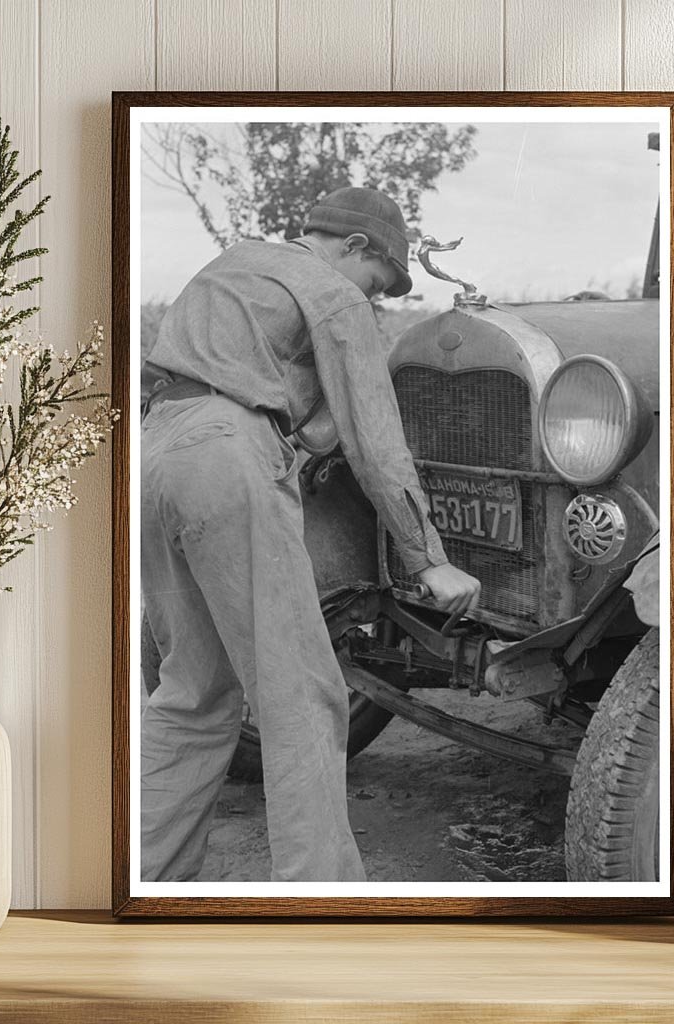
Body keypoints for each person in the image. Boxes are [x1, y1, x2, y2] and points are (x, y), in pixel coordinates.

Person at [140, 186, 481, 882]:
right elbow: (375, 445)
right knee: (302, 697)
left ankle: (143, 879)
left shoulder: (238, 263)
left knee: (192, 693)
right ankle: (324, 903)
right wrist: (429, 561)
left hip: (155, 452)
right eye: (379, 284)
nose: (375, 299)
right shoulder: (333, 292)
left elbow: (297, 411)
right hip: (229, 458)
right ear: (355, 249)